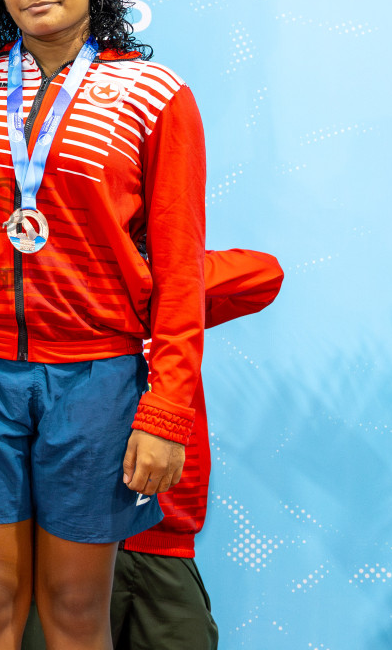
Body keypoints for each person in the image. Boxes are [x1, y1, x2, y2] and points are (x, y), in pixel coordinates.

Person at [0, 0, 205, 650]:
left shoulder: (156, 96)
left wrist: (165, 412)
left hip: (96, 381)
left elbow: (181, 271)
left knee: (75, 612)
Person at [19, 248, 284, 650]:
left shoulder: (170, 311)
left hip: (166, 545)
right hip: (71, 541)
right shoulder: (60, 297)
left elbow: (264, 276)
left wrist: (148, 277)